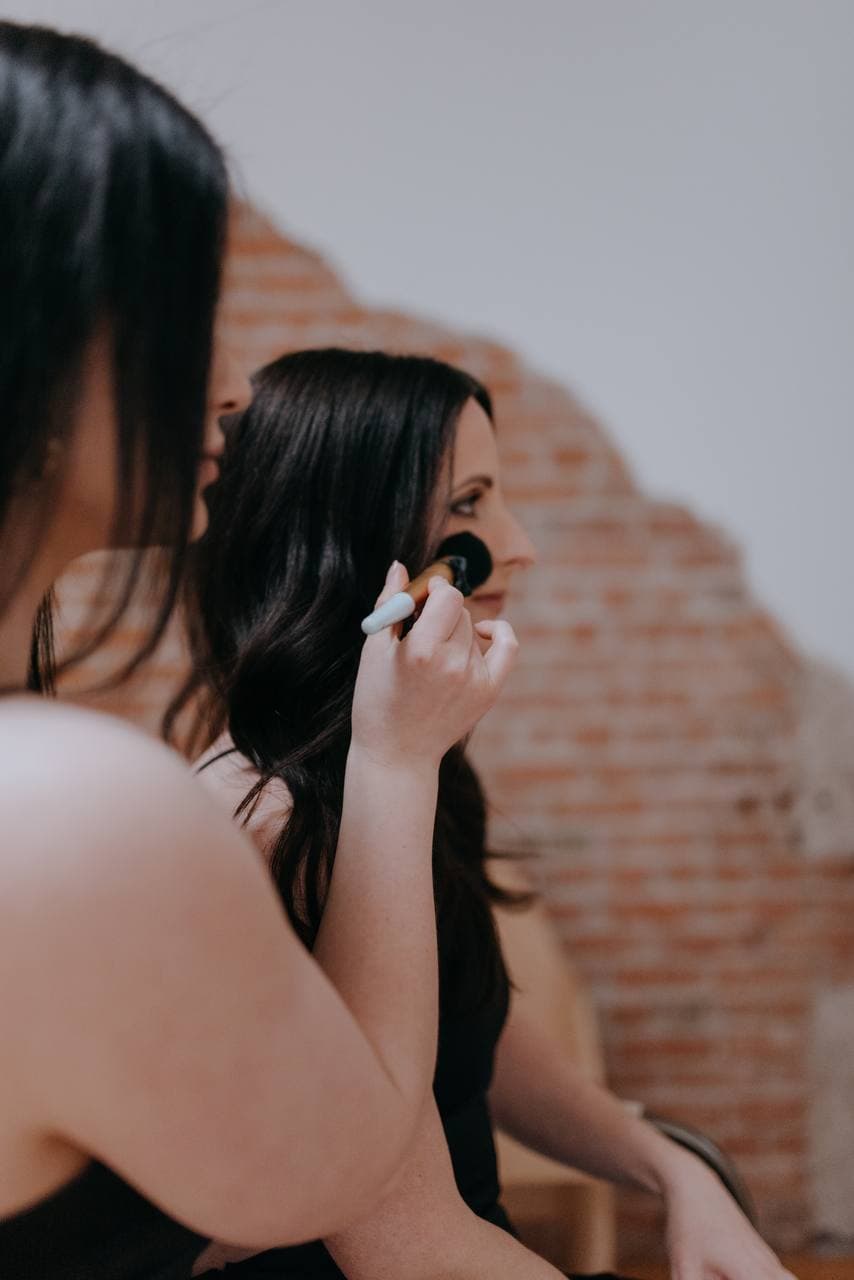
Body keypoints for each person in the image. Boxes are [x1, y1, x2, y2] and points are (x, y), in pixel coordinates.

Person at [0, 25, 518, 1280]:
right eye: (185, 318)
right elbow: (354, 1175)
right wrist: (393, 761)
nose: (233, 387)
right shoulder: (75, 807)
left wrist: (665, 1157)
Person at [186, 348, 797, 1280]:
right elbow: (406, 1248)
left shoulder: (407, 768)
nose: (518, 545)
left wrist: (673, 1168)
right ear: (347, 531)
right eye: (469, 504)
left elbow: (473, 1029)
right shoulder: (268, 822)